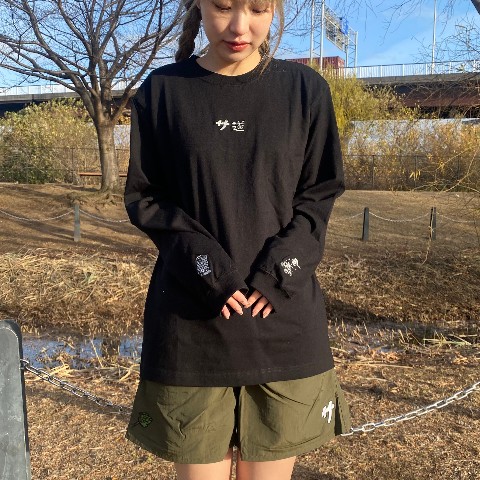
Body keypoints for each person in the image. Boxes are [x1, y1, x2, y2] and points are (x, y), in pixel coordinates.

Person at [124, 0, 351, 478]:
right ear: (198, 5)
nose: (240, 26)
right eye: (224, 7)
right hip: (191, 329)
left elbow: (319, 195)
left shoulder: (305, 90)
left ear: (276, 10)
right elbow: (147, 197)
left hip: (283, 330)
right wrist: (207, 266)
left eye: (258, 9)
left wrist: (279, 272)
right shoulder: (161, 91)